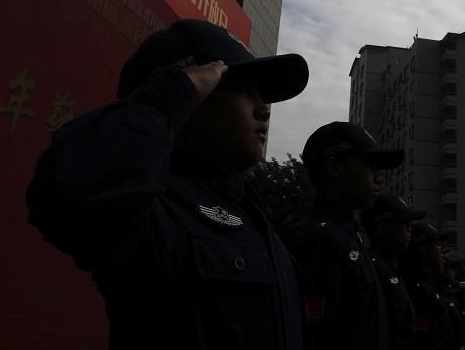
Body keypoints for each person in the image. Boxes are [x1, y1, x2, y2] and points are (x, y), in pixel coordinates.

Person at [25, 19, 309, 349]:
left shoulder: (251, 214)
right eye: (244, 90)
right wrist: (170, 96)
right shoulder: (152, 207)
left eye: (262, 95)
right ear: (196, 91)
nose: (264, 110)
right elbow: (74, 191)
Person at [296, 121, 404, 350]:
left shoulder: (350, 236)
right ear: (335, 168)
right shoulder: (323, 241)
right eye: (370, 165)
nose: (379, 178)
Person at [363, 194, 427, 350]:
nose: (410, 228)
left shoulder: (392, 267)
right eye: (404, 222)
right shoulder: (373, 270)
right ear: (383, 228)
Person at [402, 221, 464, 350]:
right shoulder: (416, 286)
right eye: (437, 245)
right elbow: (422, 333)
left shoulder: (429, 283)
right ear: (423, 249)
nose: (442, 252)